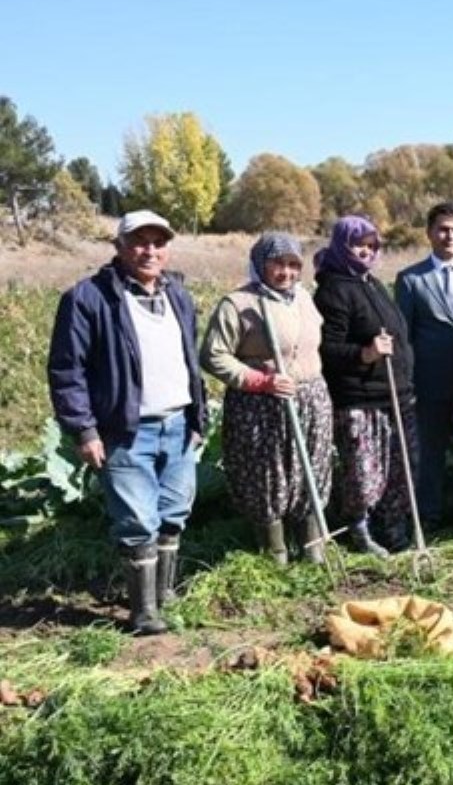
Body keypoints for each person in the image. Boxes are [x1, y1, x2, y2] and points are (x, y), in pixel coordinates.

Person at [47, 210, 208, 635]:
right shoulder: (88, 298)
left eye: (158, 242)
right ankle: (143, 612)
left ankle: (164, 593)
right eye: (139, 241)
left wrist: (198, 416)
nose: (149, 250)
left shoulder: (179, 296)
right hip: (124, 430)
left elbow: (190, 362)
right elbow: (68, 370)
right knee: (137, 520)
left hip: (178, 425)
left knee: (174, 512)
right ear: (119, 246)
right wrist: (83, 429)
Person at [199, 232, 333, 565]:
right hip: (261, 404)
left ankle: (311, 542)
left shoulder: (304, 297)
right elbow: (213, 355)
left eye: (293, 265)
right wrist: (261, 380)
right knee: (268, 474)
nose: (286, 272)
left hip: (310, 398)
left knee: (310, 468)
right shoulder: (239, 303)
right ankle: (275, 549)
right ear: (261, 264)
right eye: (277, 264)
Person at [311, 216, 418, 556]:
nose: (367, 251)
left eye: (373, 246)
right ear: (342, 246)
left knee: (399, 469)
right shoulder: (333, 289)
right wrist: (366, 353)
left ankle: (392, 526)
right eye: (360, 245)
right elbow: (326, 348)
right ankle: (359, 530)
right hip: (360, 399)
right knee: (363, 472)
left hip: (396, 394)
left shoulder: (371, 283)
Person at [395, 202, 453, 529]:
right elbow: (403, 337)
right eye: (443, 230)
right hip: (429, 381)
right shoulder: (410, 280)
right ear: (430, 233)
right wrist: (407, 381)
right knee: (429, 451)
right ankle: (428, 514)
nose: (449, 236)